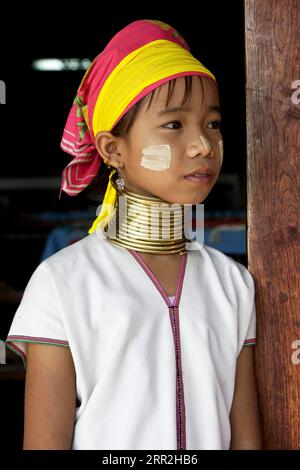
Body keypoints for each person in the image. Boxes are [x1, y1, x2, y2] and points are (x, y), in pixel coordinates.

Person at [5, 19, 262, 450]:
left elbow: (246, 441)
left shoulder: (233, 284)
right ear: (112, 149)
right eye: (174, 125)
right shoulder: (62, 283)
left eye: (213, 124)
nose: (203, 144)